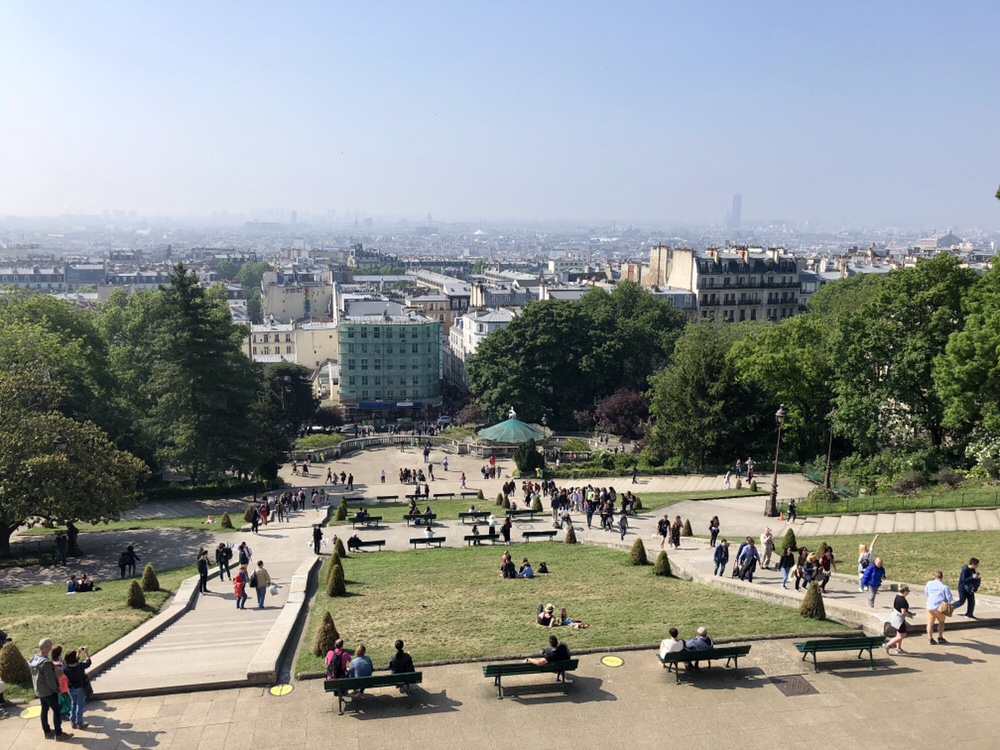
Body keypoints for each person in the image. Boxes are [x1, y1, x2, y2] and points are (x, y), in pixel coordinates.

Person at [29, 638, 72, 741]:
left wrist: (52, 664)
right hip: (49, 691)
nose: (52, 647)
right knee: (56, 711)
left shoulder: (35, 658)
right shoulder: (45, 664)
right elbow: (50, 679)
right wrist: (57, 690)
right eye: (50, 645)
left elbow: (41, 669)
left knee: (44, 710)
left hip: (40, 690)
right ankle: (59, 734)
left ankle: (47, 732)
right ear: (46, 647)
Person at [63, 647, 92, 730]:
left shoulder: (65, 668)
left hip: (70, 688)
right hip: (80, 688)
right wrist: (86, 652)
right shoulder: (80, 666)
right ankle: (80, 723)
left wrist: (78, 653)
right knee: (80, 705)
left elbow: (72, 661)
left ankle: (72, 721)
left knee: (73, 703)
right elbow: (88, 662)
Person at [925, 570, 954, 645]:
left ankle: (930, 639)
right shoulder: (944, 587)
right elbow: (949, 598)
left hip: (930, 606)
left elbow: (926, 593)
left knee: (930, 623)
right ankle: (940, 637)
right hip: (939, 608)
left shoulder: (929, 583)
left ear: (934, 576)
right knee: (941, 622)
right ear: (942, 577)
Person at [884, 585, 914, 654]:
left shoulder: (897, 596)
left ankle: (898, 648)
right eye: (908, 591)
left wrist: (909, 612)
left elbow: (898, 607)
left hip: (895, 616)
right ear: (905, 591)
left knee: (899, 634)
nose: (908, 592)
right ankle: (887, 645)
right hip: (899, 620)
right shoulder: (903, 600)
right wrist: (909, 615)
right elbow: (903, 612)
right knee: (902, 635)